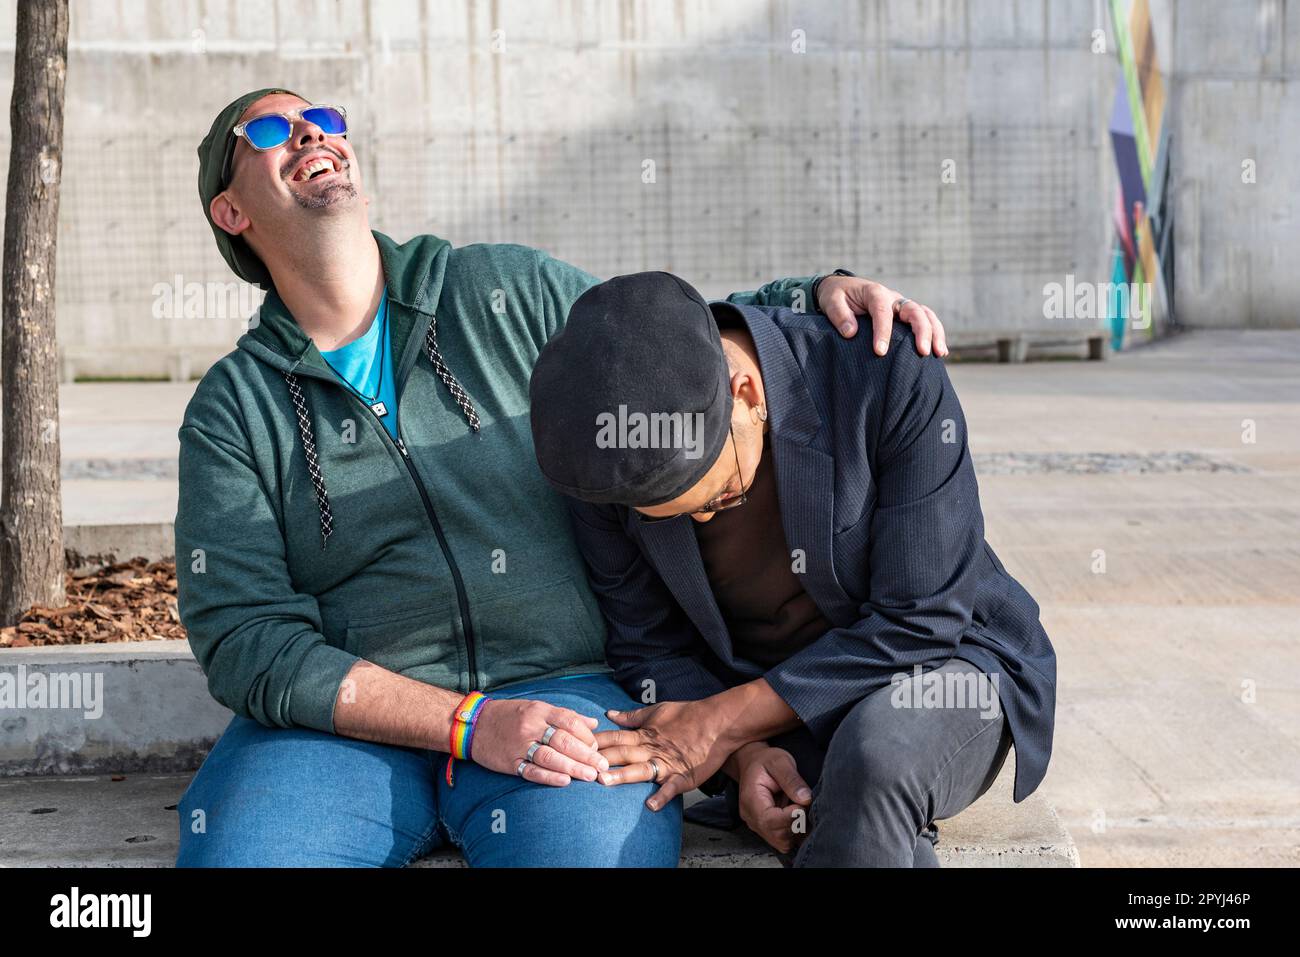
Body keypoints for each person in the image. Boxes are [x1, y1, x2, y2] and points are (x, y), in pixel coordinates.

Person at [174, 88, 947, 867]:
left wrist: (805, 297)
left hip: (569, 700)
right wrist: (463, 722)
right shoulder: (233, 410)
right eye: (270, 130)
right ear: (231, 212)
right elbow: (245, 636)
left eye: (326, 118)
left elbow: (658, 347)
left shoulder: (502, 292)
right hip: (342, 736)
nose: (312, 130)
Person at [527, 271, 1056, 866]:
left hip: (947, 669)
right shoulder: (601, 462)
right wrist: (740, 755)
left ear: (746, 394)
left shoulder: (887, 371)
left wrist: (721, 722)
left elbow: (922, 620)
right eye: (670, 516)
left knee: (875, 758)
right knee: (834, 813)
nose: (702, 523)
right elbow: (648, 646)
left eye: (717, 496)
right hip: (775, 714)